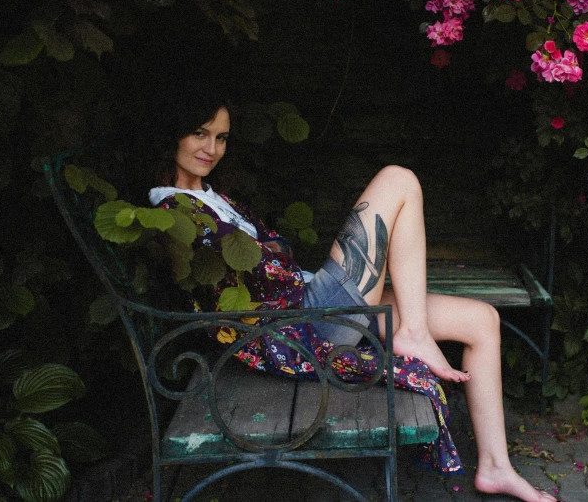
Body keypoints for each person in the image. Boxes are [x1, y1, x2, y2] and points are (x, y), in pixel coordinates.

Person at [148, 93, 557, 502]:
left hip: (309, 305)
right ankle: (414, 331)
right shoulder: (169, 207)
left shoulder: (216, 200)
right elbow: (256, 264)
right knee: (398, 179)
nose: (211, 149)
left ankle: (495, 468)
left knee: (482, 320)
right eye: (200, 134)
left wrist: (270, 255)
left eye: (220, 138)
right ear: (173, 136)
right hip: (300, 325)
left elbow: (275, 253)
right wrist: (270, 256)